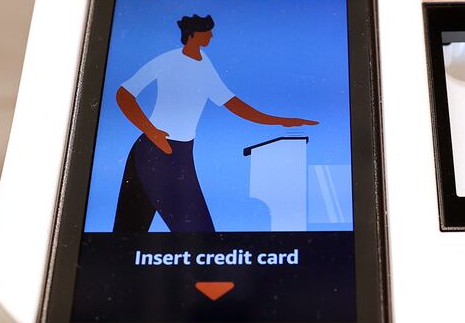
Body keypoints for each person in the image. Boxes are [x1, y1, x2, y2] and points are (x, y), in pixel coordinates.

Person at [113, 14, 317, 232]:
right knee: (147, 232)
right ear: (192, 35)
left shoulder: (204, 64)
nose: (211, 35)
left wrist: (279, 121)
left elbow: (231, 102)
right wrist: (151, 131)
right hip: (154, 151)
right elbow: (124, 94)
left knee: (148, 233)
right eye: (206, 31)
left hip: (180, 152)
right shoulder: (168, 60)